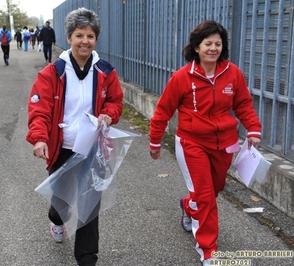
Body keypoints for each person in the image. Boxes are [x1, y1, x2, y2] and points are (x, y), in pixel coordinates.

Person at [148, 20, 262, 266]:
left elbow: (243, 104)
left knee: (215, 189)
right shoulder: (181, 77)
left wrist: (253, 128)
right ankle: (208, 250)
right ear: (196, 47)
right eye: (207, 43)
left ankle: (189, 206)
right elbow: (163, 110)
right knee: (206, 197)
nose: (213, 48)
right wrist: (155, 140)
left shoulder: (233, 73)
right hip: (192, 143)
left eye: (218, 44)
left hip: (225, 145)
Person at [26, 8, 123, 266]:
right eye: (79, 35)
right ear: (69, 38)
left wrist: (109, 115)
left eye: (90, 36)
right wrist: (39, 138)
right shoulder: (53, 72)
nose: (85, 41)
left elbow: (115, 101)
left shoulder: (105, 71)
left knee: (89, 204)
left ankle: (87, 258)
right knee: (61, 201)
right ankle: (56, 219)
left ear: (95, 39)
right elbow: (39, 110)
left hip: (93, 149)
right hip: (63, 149)